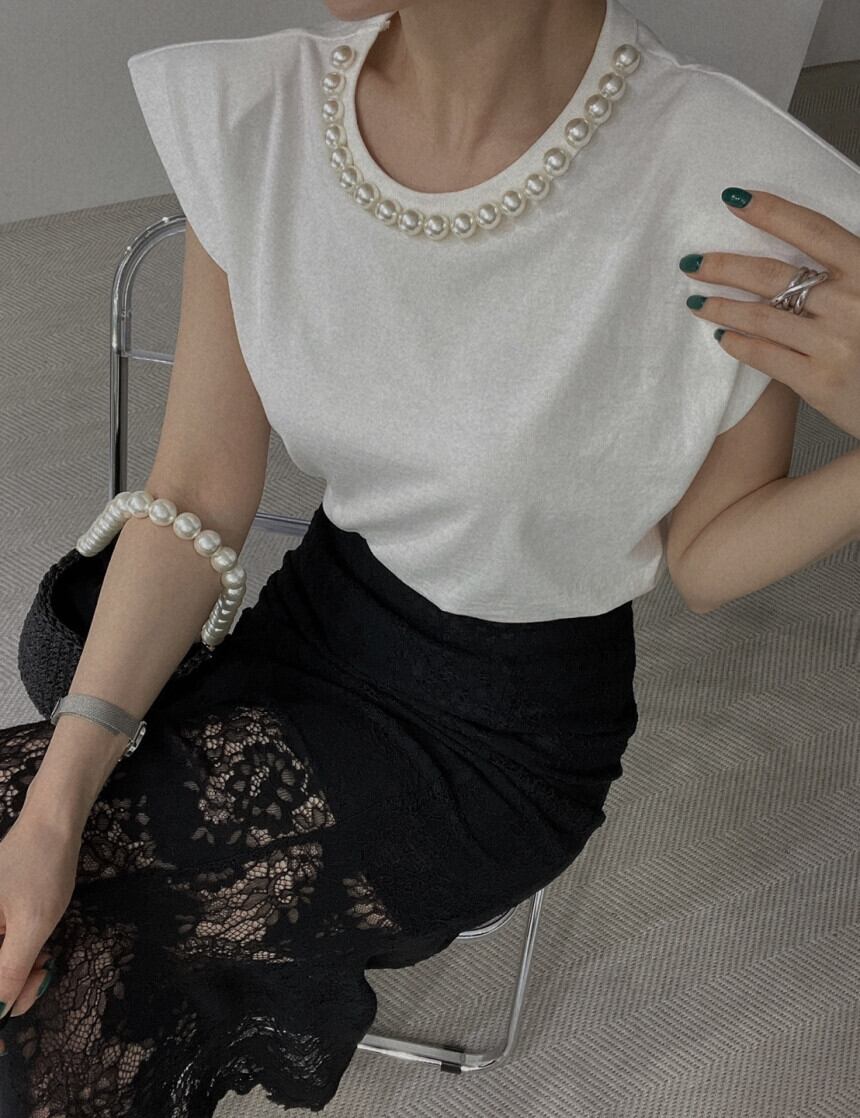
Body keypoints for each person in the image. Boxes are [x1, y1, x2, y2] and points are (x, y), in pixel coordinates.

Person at [1, 0, 858, 1113]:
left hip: (495, 741)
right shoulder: (258, 113)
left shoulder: (732, 186)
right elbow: (195, 493)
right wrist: (57, 805)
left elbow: (704, 555)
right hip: (315, 621)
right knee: (34, 850)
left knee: (66, 1007)